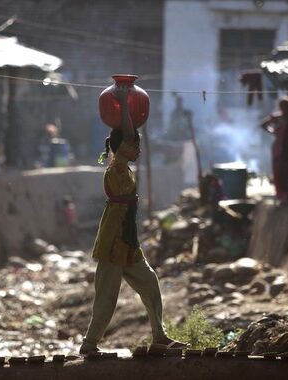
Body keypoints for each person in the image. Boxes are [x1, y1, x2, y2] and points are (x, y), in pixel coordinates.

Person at [79, 84, 187, 355]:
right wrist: (125, 103)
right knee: (107, 296)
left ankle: (159, 336)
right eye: (134, 145)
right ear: (124, 147)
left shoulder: (124, 169)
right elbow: (127, 134)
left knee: (150, 282)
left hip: (127, 240)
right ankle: (89, 344)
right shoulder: (116, 168)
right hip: (113, 240)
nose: (138, 150)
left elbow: (128, 137)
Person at [260, 96, 288, 202]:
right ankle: (281, 195)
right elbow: (263, 124)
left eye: (286, 106)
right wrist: (273, 131)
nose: (284, 108)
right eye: (282, 106)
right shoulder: (277, 117)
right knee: (278, 172)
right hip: (278, 148)